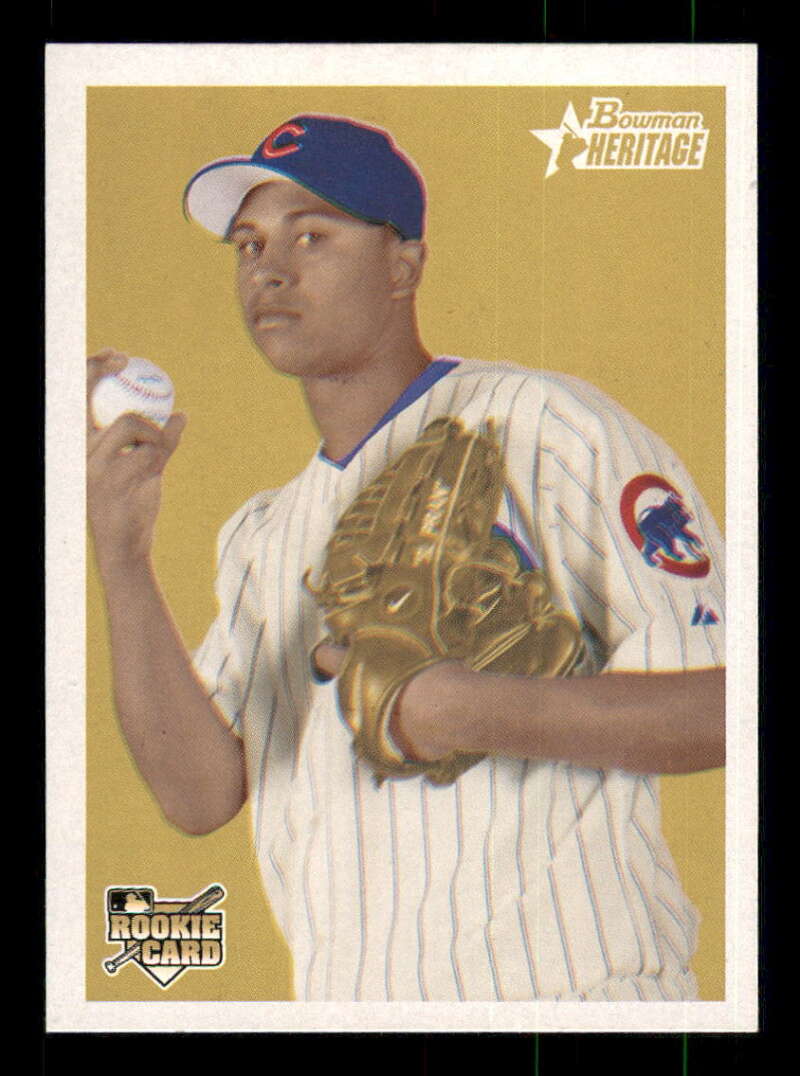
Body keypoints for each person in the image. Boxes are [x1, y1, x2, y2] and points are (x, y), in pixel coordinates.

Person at [87, 114, 725, 1002]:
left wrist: (468, 709)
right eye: (249, 244)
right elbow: (197, 796)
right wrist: (122, 556)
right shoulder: (262, 535)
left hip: (574, 999)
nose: (269, 269)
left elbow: (730, 706)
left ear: (404, 265)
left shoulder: (550, 426)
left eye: (313, 235)